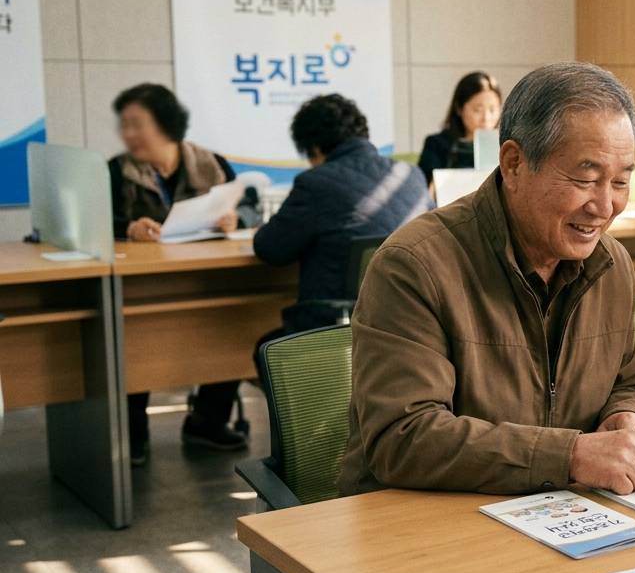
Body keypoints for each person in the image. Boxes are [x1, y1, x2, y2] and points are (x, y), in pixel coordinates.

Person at [337, 62, 635, 497]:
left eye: (619, 182)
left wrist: (627, 414)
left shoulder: (611, 264)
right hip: (421, 523)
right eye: (585, 178)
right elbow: (403, 437)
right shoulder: (415, 265)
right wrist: (571, 456)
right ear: (514, 163)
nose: (604, 206)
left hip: (558, 513)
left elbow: (626, 382)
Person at [108, 83, 255, 461]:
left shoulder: (211, 163)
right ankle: (133, 432)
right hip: (139, 286)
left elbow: (249, 207)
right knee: (134, 342)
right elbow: (97, 218)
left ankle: (207, 421)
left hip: (208, 277)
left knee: (228, 330)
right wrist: (127, 228)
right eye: (125, 125)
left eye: (138, 124)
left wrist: (236, 217)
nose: (128, 134)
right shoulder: (116, 171)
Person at [254, 94, 433, 335]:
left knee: (267, 347)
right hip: (409, 323)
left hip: (336, 330)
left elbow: (270, 248)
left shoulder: (316, 183)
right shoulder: (410, 175)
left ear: (314, 147)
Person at [417, 71, 501, 187]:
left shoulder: (504, 145)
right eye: (477, 110)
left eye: (492, 110)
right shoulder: (437, 145)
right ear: (459, 109)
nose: (486, 118)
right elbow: (423, 189)